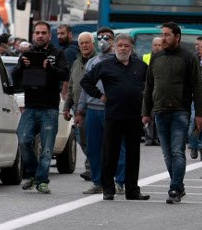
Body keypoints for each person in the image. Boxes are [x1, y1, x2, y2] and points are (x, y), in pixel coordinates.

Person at [81, 34, 150, 201]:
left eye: (126, 46)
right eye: (120, 45)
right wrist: (100, 96)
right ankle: (108, 190)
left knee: (133, 155)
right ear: (114, 47)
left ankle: (132, 190)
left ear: (132, 48)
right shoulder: (105, 65)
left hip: (134, 116)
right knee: (110, 153)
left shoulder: (141, 66)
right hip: (113, 115)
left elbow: (150, 86)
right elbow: (86, 81)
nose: (123, 48)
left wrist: (147, 109)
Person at [142, 22, 202, 204]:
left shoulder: (189, 57)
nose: (163, 38)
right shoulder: (156, 57)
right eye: (162, 35)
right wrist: (146, 112)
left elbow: (197, 87)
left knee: (177, 151)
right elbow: (149, 87)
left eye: (167, 35)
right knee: (167, 154)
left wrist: (200, 114)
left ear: (177, 37)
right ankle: (178, 184)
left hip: (180, 111)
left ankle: (175, 189)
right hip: (160, 112)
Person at [12, 21, 69, 194]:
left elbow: (65, 74)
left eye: (43, 33)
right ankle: (32, 173)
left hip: (49, 108)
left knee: (46, 148)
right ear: (33, 35)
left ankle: (42, 180)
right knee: (23, 140)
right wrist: (22, 65)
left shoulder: (57, 53)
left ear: (49, 35)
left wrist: (50, 68)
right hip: (30, 107)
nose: (40, 36)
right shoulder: (27, 54)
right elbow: (15, 78)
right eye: (37, 33)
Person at [75, 28, 127, 195]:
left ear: (114, 41)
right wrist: (80, 110)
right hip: (93, 110)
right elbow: (85, 87)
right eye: (100, 38)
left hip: (114, 111)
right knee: (93, 148)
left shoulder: (121, 62)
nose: (104, 40)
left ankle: (120, 182)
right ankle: (98, 182)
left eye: (108, 38)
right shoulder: (93, 62)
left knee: (117, 147)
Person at [63, 31, 96, 181]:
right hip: (77, 108)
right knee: (82, 139)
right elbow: (71, 87)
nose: (84, 45)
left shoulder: (98, 61)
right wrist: (66, 107)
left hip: (94, 107)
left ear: (93, 43)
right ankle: (94, 166)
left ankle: (92, 168)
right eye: (81, 43)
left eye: (87, 42)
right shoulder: (76, 63)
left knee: (93, 139)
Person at [142, 36, 163, 146]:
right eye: (155, 45)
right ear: (152, 46)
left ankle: (158, 138)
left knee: (159, 116)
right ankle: (149, 138)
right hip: (149, 91)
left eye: (160, 45)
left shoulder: (166, 58)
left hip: (160, 92)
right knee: (148, 115)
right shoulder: (146, 57)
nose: (158, 47)